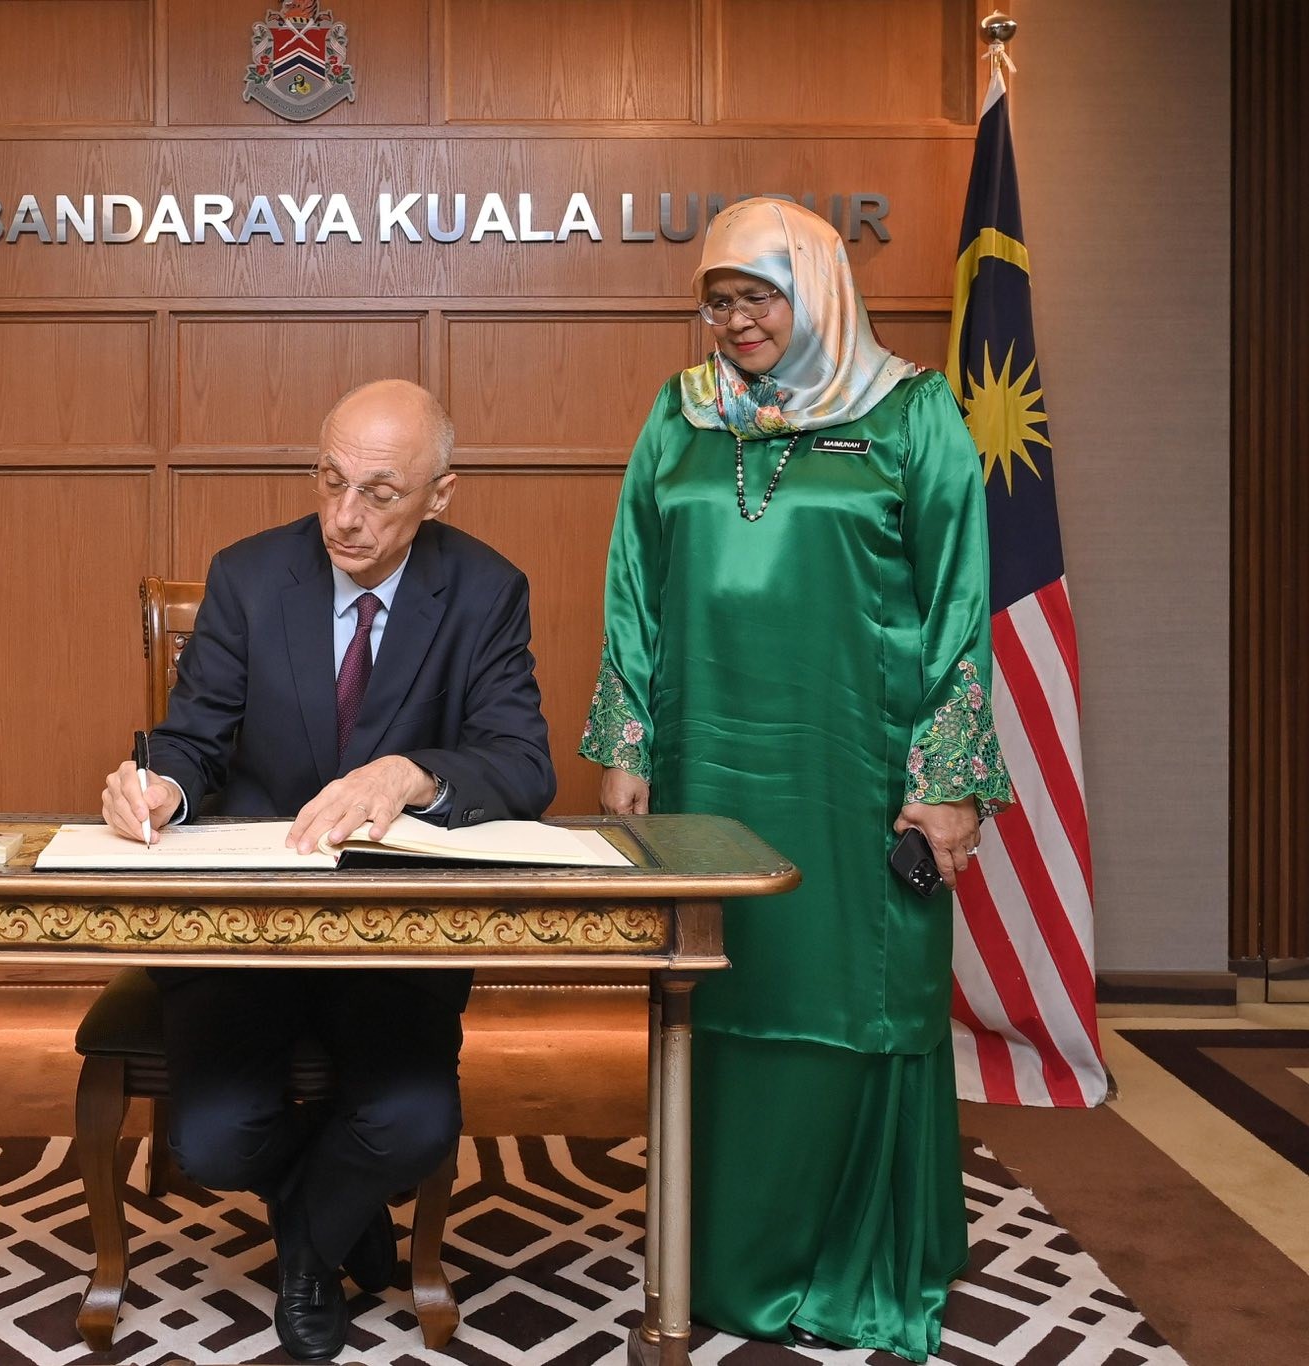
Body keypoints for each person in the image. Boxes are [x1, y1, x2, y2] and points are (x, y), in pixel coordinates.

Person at [579, 198, 1012, 1362]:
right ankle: (721, 1254)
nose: (734, 321)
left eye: (756, 296)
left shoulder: (911, 413)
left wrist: (945, 779)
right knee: (717, 992)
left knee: (850, 995)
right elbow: (631, 588)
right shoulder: (678, 414)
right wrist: (625, 744)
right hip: (704, 765)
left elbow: (958, 603)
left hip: (856, 772)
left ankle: (847, 1262)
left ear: (815, 288)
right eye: (716, 300)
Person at [100, 378, 555, 1362]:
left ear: (438, 495)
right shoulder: (248, 577)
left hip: (395, 937)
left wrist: (413, 772)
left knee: (415, 1123)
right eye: (328, 481)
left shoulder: (485, 590)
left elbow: (524, 765)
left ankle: (305, 1252)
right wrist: (159, 787)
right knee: (211, 1140)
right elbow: (192, 739)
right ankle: (344, 1219)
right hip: (244, 930)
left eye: (379, 494)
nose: (344, 517)